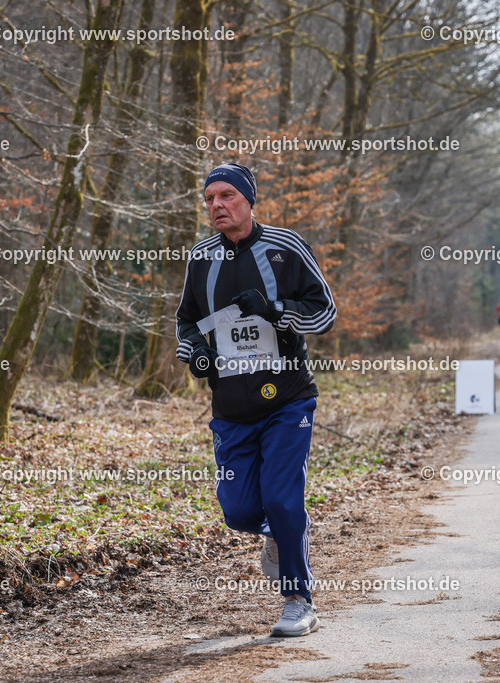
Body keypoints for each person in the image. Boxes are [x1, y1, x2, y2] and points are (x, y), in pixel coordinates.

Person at [175, 162, 336, 637]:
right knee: (240, 511)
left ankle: (297, 601)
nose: (217, 205)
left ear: (249, 200)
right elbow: (186, 323)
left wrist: (276, 312)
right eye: (210, 199)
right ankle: (275, 535)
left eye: (227, 196)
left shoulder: (285, 248)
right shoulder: (201, 257)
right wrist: (197, 355)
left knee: (285, 500)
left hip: (287, 400)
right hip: (231, 407)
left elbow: (323, 312)